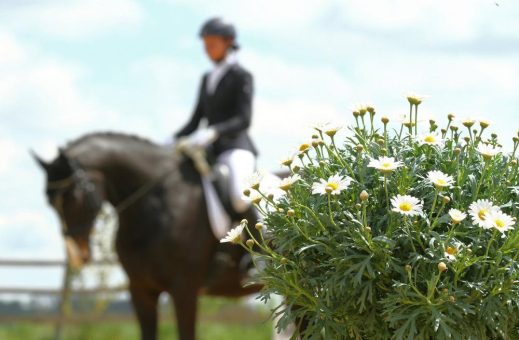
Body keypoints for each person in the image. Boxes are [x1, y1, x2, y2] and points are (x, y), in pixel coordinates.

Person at [174, 17, 258, 220]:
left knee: (240, 197)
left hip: (236, 148)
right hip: (209, 151)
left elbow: (243, 119)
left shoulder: (241, 75)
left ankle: (255, 247)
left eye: (212, 44)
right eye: (205, 45)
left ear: (228, 42)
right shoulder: (207, 78)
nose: (207, 49)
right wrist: (173, 139)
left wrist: (214, 131)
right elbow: (195, 120)